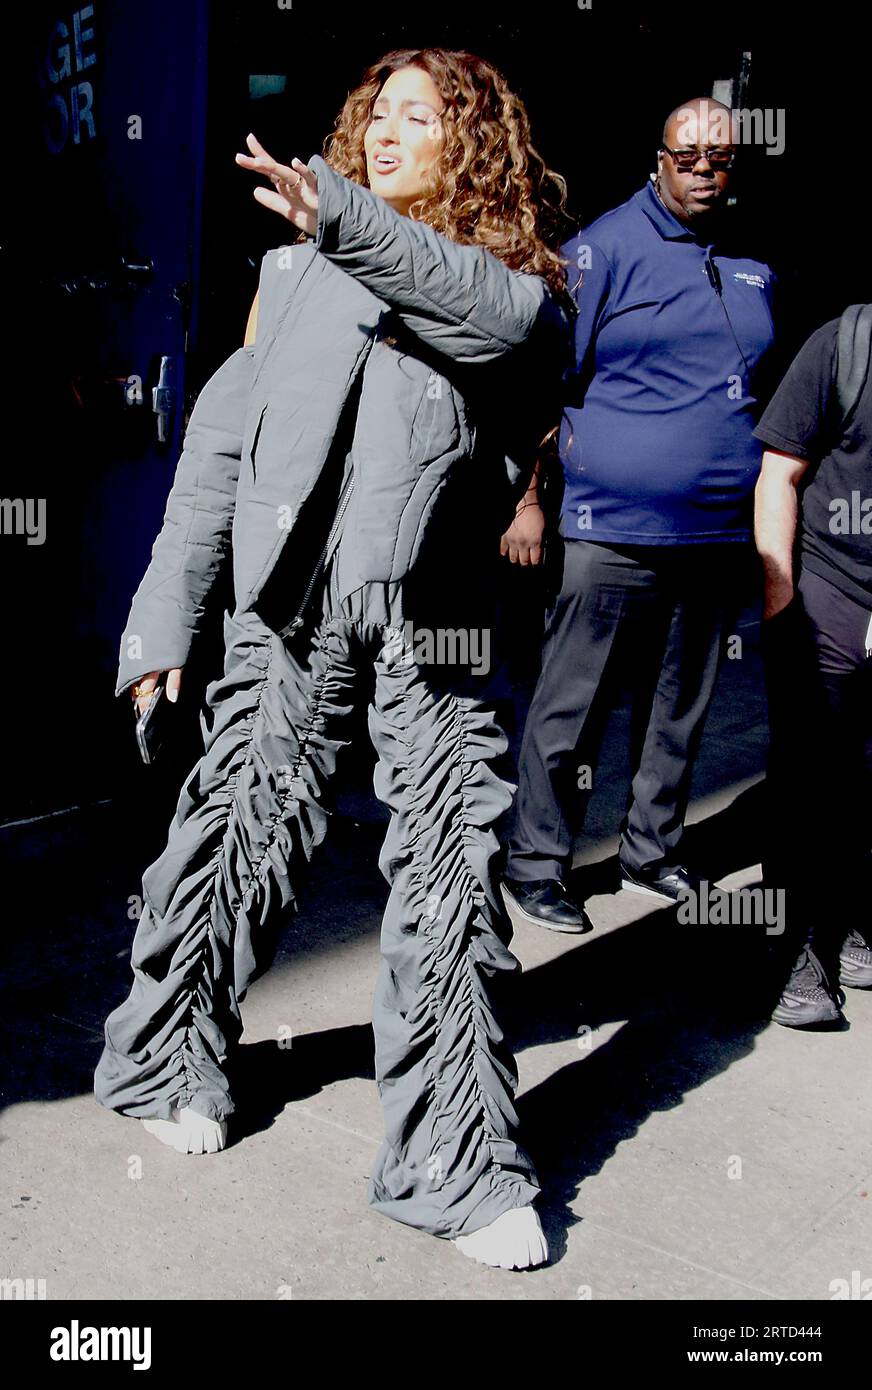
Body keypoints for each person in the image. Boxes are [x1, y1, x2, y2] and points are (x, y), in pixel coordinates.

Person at [93, 48, 573, 1271]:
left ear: (471, 146)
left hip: (432, 618)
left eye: (423, 117)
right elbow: (220, 447)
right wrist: (162, 620)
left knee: (449, 875)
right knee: (235, 831)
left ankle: (453, 1164)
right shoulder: (292, 272)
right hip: (288, 609)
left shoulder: (507, 279)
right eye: (379, 115)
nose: (390, 133)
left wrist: (347, 222)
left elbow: (494, 321)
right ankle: (165, 1061)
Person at [502, 97, 777, 931]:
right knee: (573, 704)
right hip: (610, 528)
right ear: (659, 160)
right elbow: (541, 386)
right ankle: (536, 863)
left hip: (717, 532)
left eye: (719, 159)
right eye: (687, 157)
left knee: (681, 704)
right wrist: (528, 500)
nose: (704, 172)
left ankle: (651, 851)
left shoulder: (753, 257)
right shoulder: (603, 251)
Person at [754, 304, 872, 1026]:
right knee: (809, 776)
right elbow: (779, 475)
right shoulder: (845, 345)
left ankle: (853, 922)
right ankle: (795, 947)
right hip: (832, 587)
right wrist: (782, 606)